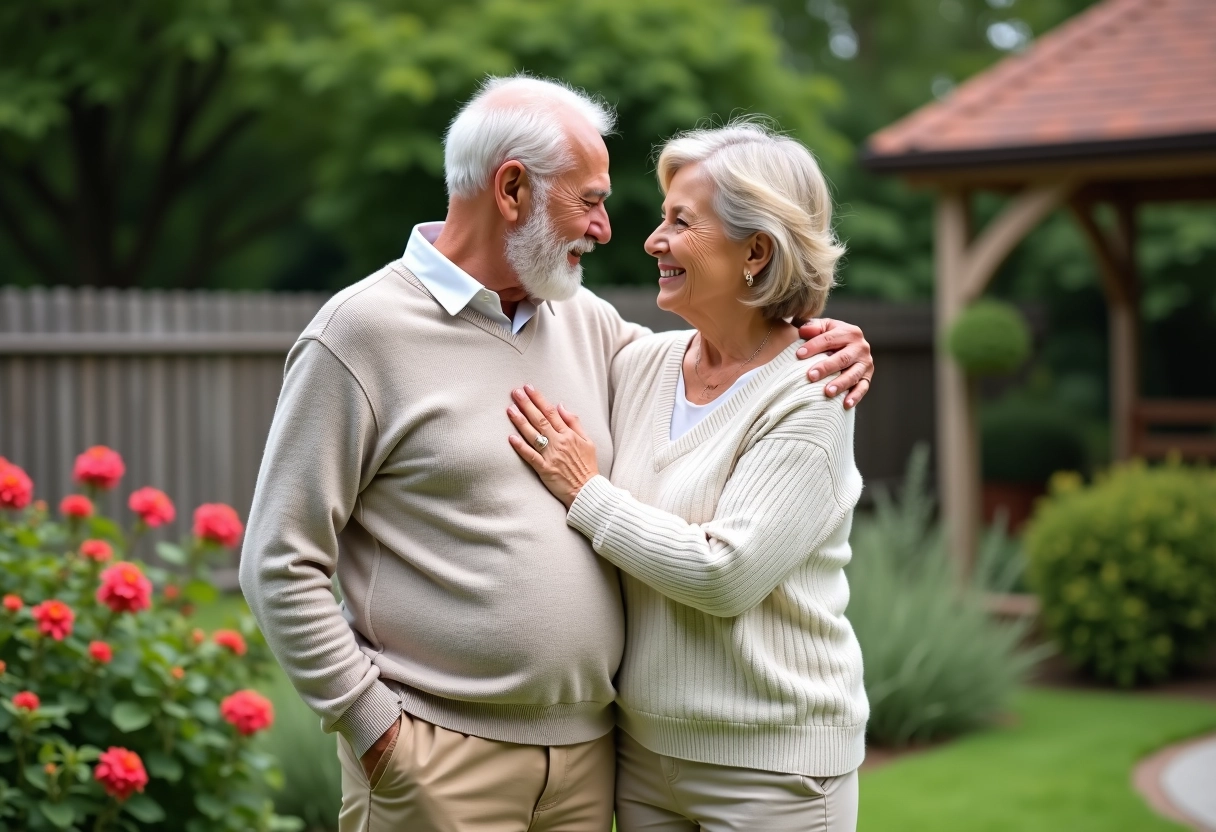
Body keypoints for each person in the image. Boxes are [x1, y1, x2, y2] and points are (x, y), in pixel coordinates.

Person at [240, 77, 874, 832]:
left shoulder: (589, 326)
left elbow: (735, 368)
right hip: (439, 761)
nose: (611, 230)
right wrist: (375, 728)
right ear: (512, 190)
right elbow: (280, 560)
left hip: (591, 763)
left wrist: (828, 338)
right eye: (591, 200)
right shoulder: (359, 335)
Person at [508, 122, 867, 832]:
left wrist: (586, 492)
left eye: (681, 221)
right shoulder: (639, 362)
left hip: (775, 770)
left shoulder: (810, 391)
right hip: (644, 758)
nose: (652, 239)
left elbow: (724, 577)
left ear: (755, 252)